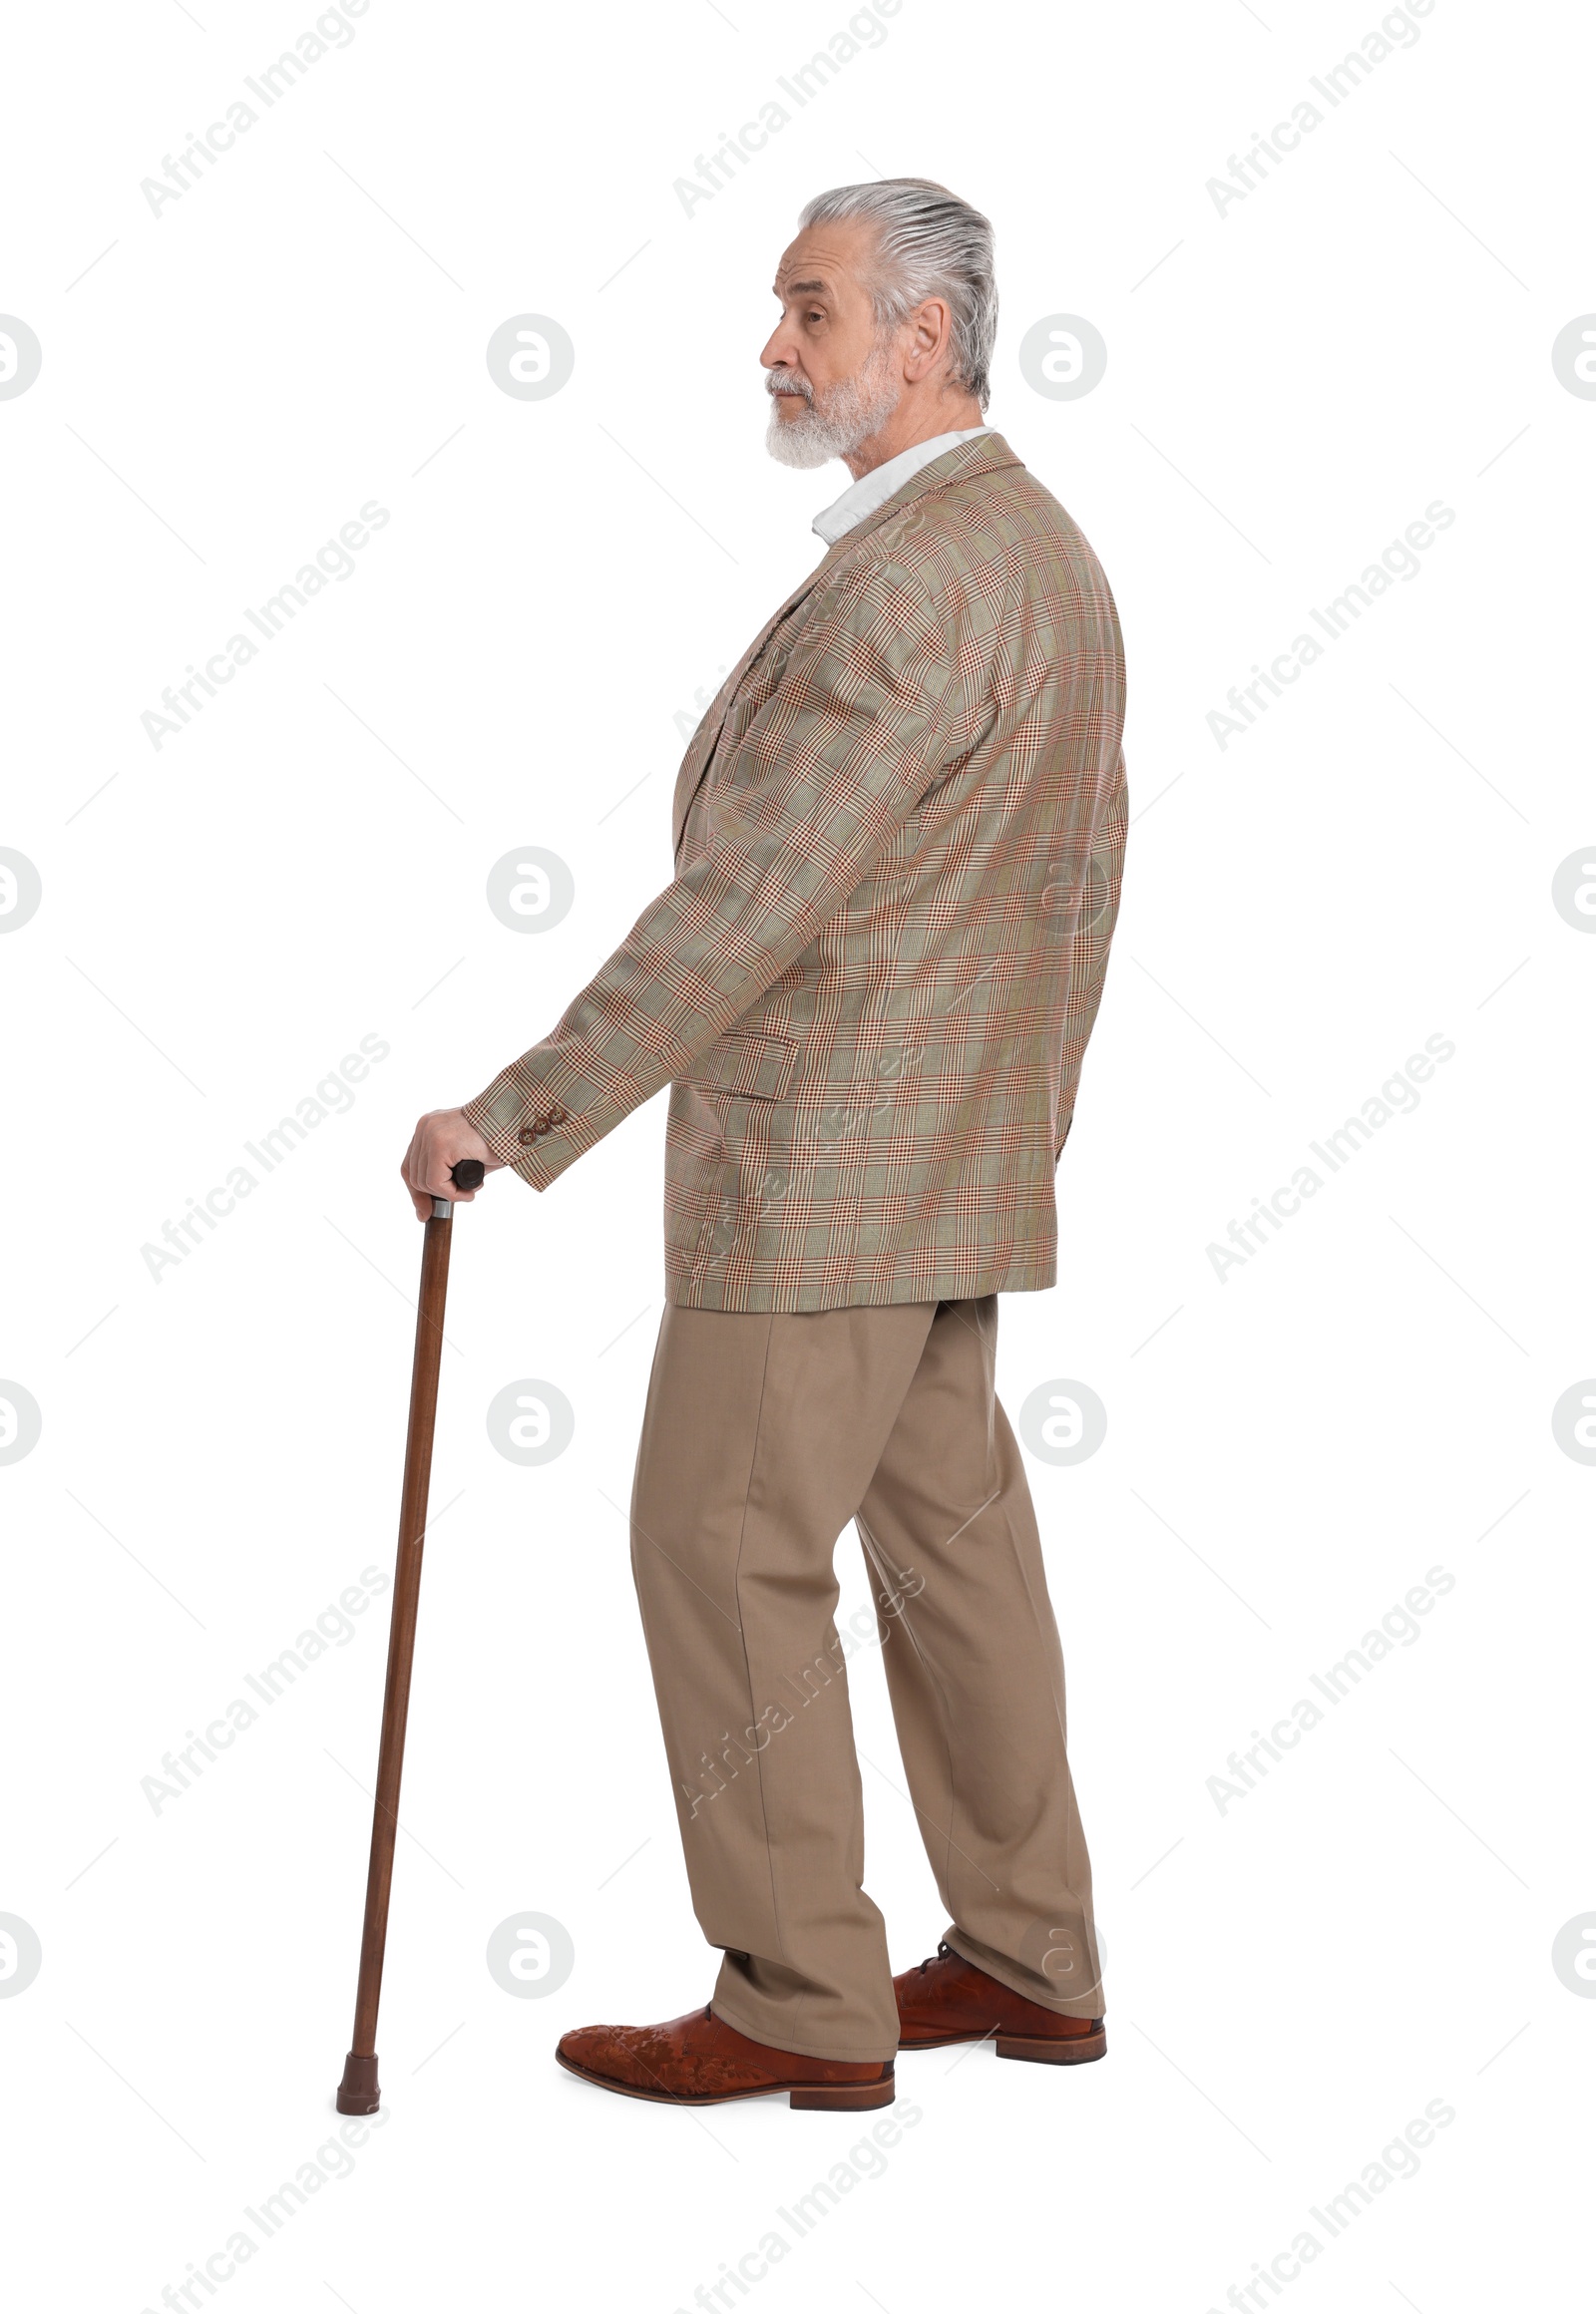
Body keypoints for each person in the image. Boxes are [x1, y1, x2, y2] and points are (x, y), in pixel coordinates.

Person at [401, 178, 1127, 2113]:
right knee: (952, 1554)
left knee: (716, 1543)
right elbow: (1067, 887)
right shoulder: (1039, 550)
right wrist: (1010, 1116)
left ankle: (805, 1992)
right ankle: (1027, 1952)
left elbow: (745, 907)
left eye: (809, 311)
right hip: (956, 1154)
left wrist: (515, 1115)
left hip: (820, 1173)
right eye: (782, 309)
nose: (773, 347)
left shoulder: (906, 583)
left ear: (920, 337)